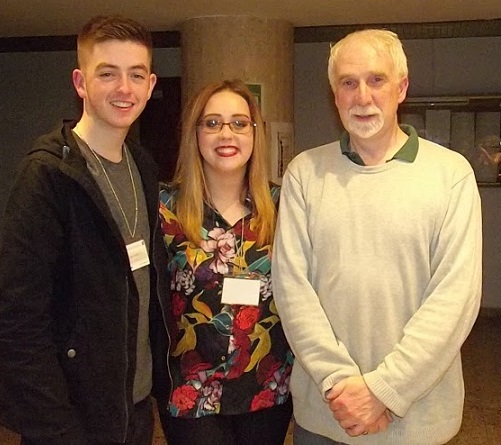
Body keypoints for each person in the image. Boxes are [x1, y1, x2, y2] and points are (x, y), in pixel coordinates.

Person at [272, 29, 482, 445]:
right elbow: (292, 288)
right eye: (348, 83)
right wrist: (341, 385)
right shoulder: (304, 174)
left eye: (377, 80)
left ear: (401, 87)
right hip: (326, 415)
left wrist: (384, 391)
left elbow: (454, 299)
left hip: (418, 422)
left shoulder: (451, 174)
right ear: (334, 95)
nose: (363, 97)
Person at [0, 15, 171, 445]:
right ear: (80, 82)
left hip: (133, 411)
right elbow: (18, 320)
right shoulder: (47, 176)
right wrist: (56, 429)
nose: (124, 89)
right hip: (71, 420)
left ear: (151, 85)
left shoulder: (143, 168)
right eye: (107, 73)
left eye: (136, 75)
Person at [157, 79, 293, 445]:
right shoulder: (165, 209)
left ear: (254, 133)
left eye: (238, 123)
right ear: (196, 134)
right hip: (189, 392)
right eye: (212, 123)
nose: (225, 134)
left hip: (267, 388)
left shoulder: (285, 207)